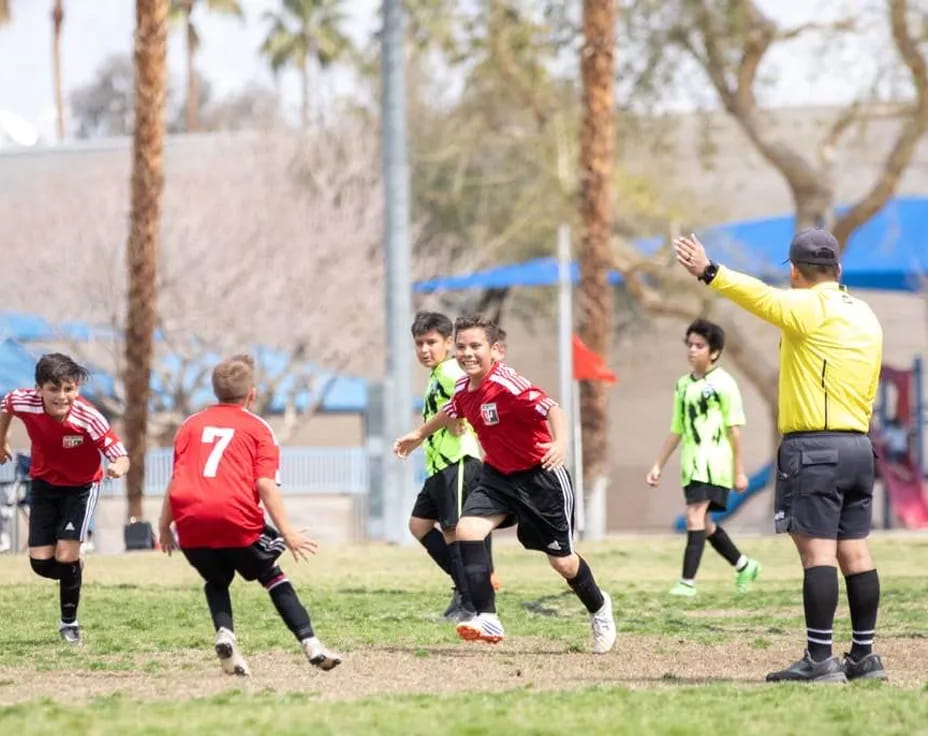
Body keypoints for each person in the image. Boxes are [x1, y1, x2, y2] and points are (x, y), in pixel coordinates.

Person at [674, 228, 885, 683]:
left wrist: (710, 272)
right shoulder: (865, 313)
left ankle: (819, 659)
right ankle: (865, 657)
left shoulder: (809, 305)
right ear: (838, 270)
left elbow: (759, 297)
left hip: (815, 448)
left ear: (794, 271)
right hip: (858, 446)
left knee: (818, 555)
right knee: (856, 552)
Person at [394, 314, 616, 654]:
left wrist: (560, 444)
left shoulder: (509, 384)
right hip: (497, 476)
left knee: (562, 562)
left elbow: (553, 409)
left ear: (496, 350)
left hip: (540, 477)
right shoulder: (462, 388)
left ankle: (599, 607)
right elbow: (452, 411)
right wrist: (419, 433)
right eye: (461, 346)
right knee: (467, 530)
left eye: (475, 346)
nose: (467, 353)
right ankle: (487, 616)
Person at [158, 354, 341, 676]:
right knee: (272, 575)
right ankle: (311, 643)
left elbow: (176, 479)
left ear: (214, 392)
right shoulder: (258, 428)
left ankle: (225, 634)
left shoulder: (190, 425)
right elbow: (265, 485)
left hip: (190, 521)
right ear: (251, 394)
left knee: (215, 580)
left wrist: (163, 527)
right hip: (234, 517)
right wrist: (288, 533)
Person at [0, 353, 129, 644]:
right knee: (41, 564)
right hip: (44, 483)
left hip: (82, 488)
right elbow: (5, 406)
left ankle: (69, 624)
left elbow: (120, 454)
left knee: (67, 555)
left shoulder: (88, 417)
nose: (62, 397)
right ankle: (74, 568)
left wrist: (118, 467)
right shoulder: (24, 401)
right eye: (54, 389)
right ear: (39, 389)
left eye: (69, 389)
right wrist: (2, 440)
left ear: (77, 389)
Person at [646, 318, 761, 596]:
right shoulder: (682, 385)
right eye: (690, 344)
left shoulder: (725, 384)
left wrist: (739, 471)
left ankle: (687, 582)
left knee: (694, 516)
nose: (692, 350)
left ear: (714, 352)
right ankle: (744, 565)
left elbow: (735, 430)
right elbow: (677, 429)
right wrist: (657, 464)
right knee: (705, 523)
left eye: (700, 345)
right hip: (691, 465)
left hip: (715, 464)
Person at [407, 312, 497, 622]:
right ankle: (470, 583)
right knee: (419, 525)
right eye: (419, 343)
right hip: (438, 465)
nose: (424, 350)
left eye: (431, 342)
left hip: (457, 460)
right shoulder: (436, 375)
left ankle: (471, 600)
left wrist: (456, 418)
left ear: (448, 343)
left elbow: (463, 396)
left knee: (455, 532)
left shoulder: (449, 370)